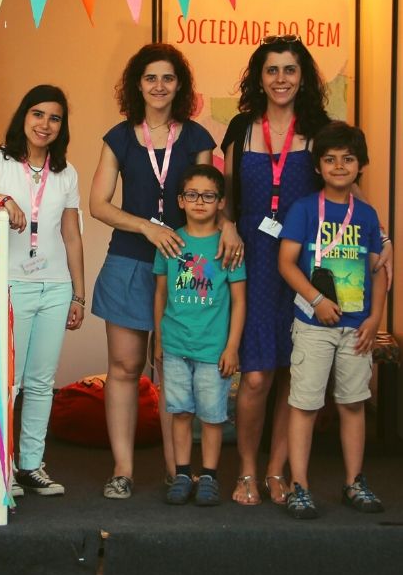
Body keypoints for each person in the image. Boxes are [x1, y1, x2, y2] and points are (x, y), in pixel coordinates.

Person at [89, 43, 237, 500]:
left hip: (189, 264)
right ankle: (123, 469)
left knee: (178, 365)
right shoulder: (119, 137)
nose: (159, 86)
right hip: (131, 261)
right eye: (150, 78)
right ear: (138, 84)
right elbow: (97, 204)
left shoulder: (196, 138)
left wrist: (227, 224)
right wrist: (148, 229)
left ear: (180, 86)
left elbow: (211, 195)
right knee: (125, 367)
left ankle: (179, 471)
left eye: (168, 78)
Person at [0, 84, 85, 496]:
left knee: (43, 382)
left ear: (62, 126)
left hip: (56, 286)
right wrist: (2, 199)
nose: (45, 124)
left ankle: (30, 465)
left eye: (54, 118)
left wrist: (78, 293)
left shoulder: (67, 172)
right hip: (12, 284)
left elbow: (72, 236)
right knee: (12, 381)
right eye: (38, 114)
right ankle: (1, 465)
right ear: (24, 116)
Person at [221, 35, 335, 506]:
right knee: (256, 375)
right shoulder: (242, 126)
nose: (281, 79)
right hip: (252, 256)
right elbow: (226, 190)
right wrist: (227, 225)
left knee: (296, 371)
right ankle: (246, 469)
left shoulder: (320, 128)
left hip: (305, 258)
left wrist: (380, 238)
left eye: (290, 70)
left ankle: (275, 471)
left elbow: (342, 192)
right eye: (272, 70)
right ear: (259, 77)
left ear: (302, 76)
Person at [278, 122, 387, 520]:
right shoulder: (305, 209)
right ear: (318, 166)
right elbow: (286, 264)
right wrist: (318, 299)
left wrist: (376, 318)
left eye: (348, 159)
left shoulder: (369, 215)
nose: (339, 166)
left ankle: (354, 481)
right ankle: (299, 486)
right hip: (312, 323)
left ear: (361, 165)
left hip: (357, 327)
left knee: (354, 404)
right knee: (304, 405)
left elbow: (378, 270)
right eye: (330, 159)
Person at [153, 164, 246, 506]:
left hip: (213, 349)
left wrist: (232, 346)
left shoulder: (229, 247)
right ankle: (181, 473)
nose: (200, 202)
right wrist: (160, 341)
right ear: (180, 200)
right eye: (192, 195)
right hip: (176, 345)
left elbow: (239, 301)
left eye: (208, 196)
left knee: (212, 414)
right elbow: (160, 294)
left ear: (220, 202)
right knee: (179, 411)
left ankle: (208, 475)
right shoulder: (171, 242)